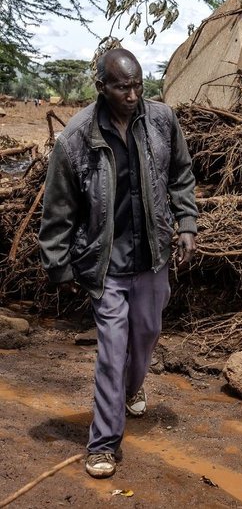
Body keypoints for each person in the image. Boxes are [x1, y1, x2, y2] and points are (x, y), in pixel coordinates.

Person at [38, 48, 197, 479]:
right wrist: (59, 264)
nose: (132, 95)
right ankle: (103, 442)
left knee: (147, 333)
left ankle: (131, 388)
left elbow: (181, 175)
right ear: (101, 87)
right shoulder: (76, 136)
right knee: (112, 350)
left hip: (152, 255)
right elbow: (58, 208)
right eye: (122, 87)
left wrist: (186, 223)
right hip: (105, 262)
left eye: (138, 85)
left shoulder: (162, 121)